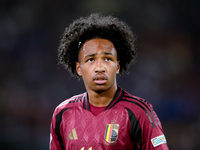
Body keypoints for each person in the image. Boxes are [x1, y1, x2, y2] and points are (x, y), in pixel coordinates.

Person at [49, 13, 169, 150]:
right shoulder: (63, 113)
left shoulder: (138, 113)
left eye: (107, 59)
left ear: (117, 66)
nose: (100, 68)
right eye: (90, 60)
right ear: (79, 68)